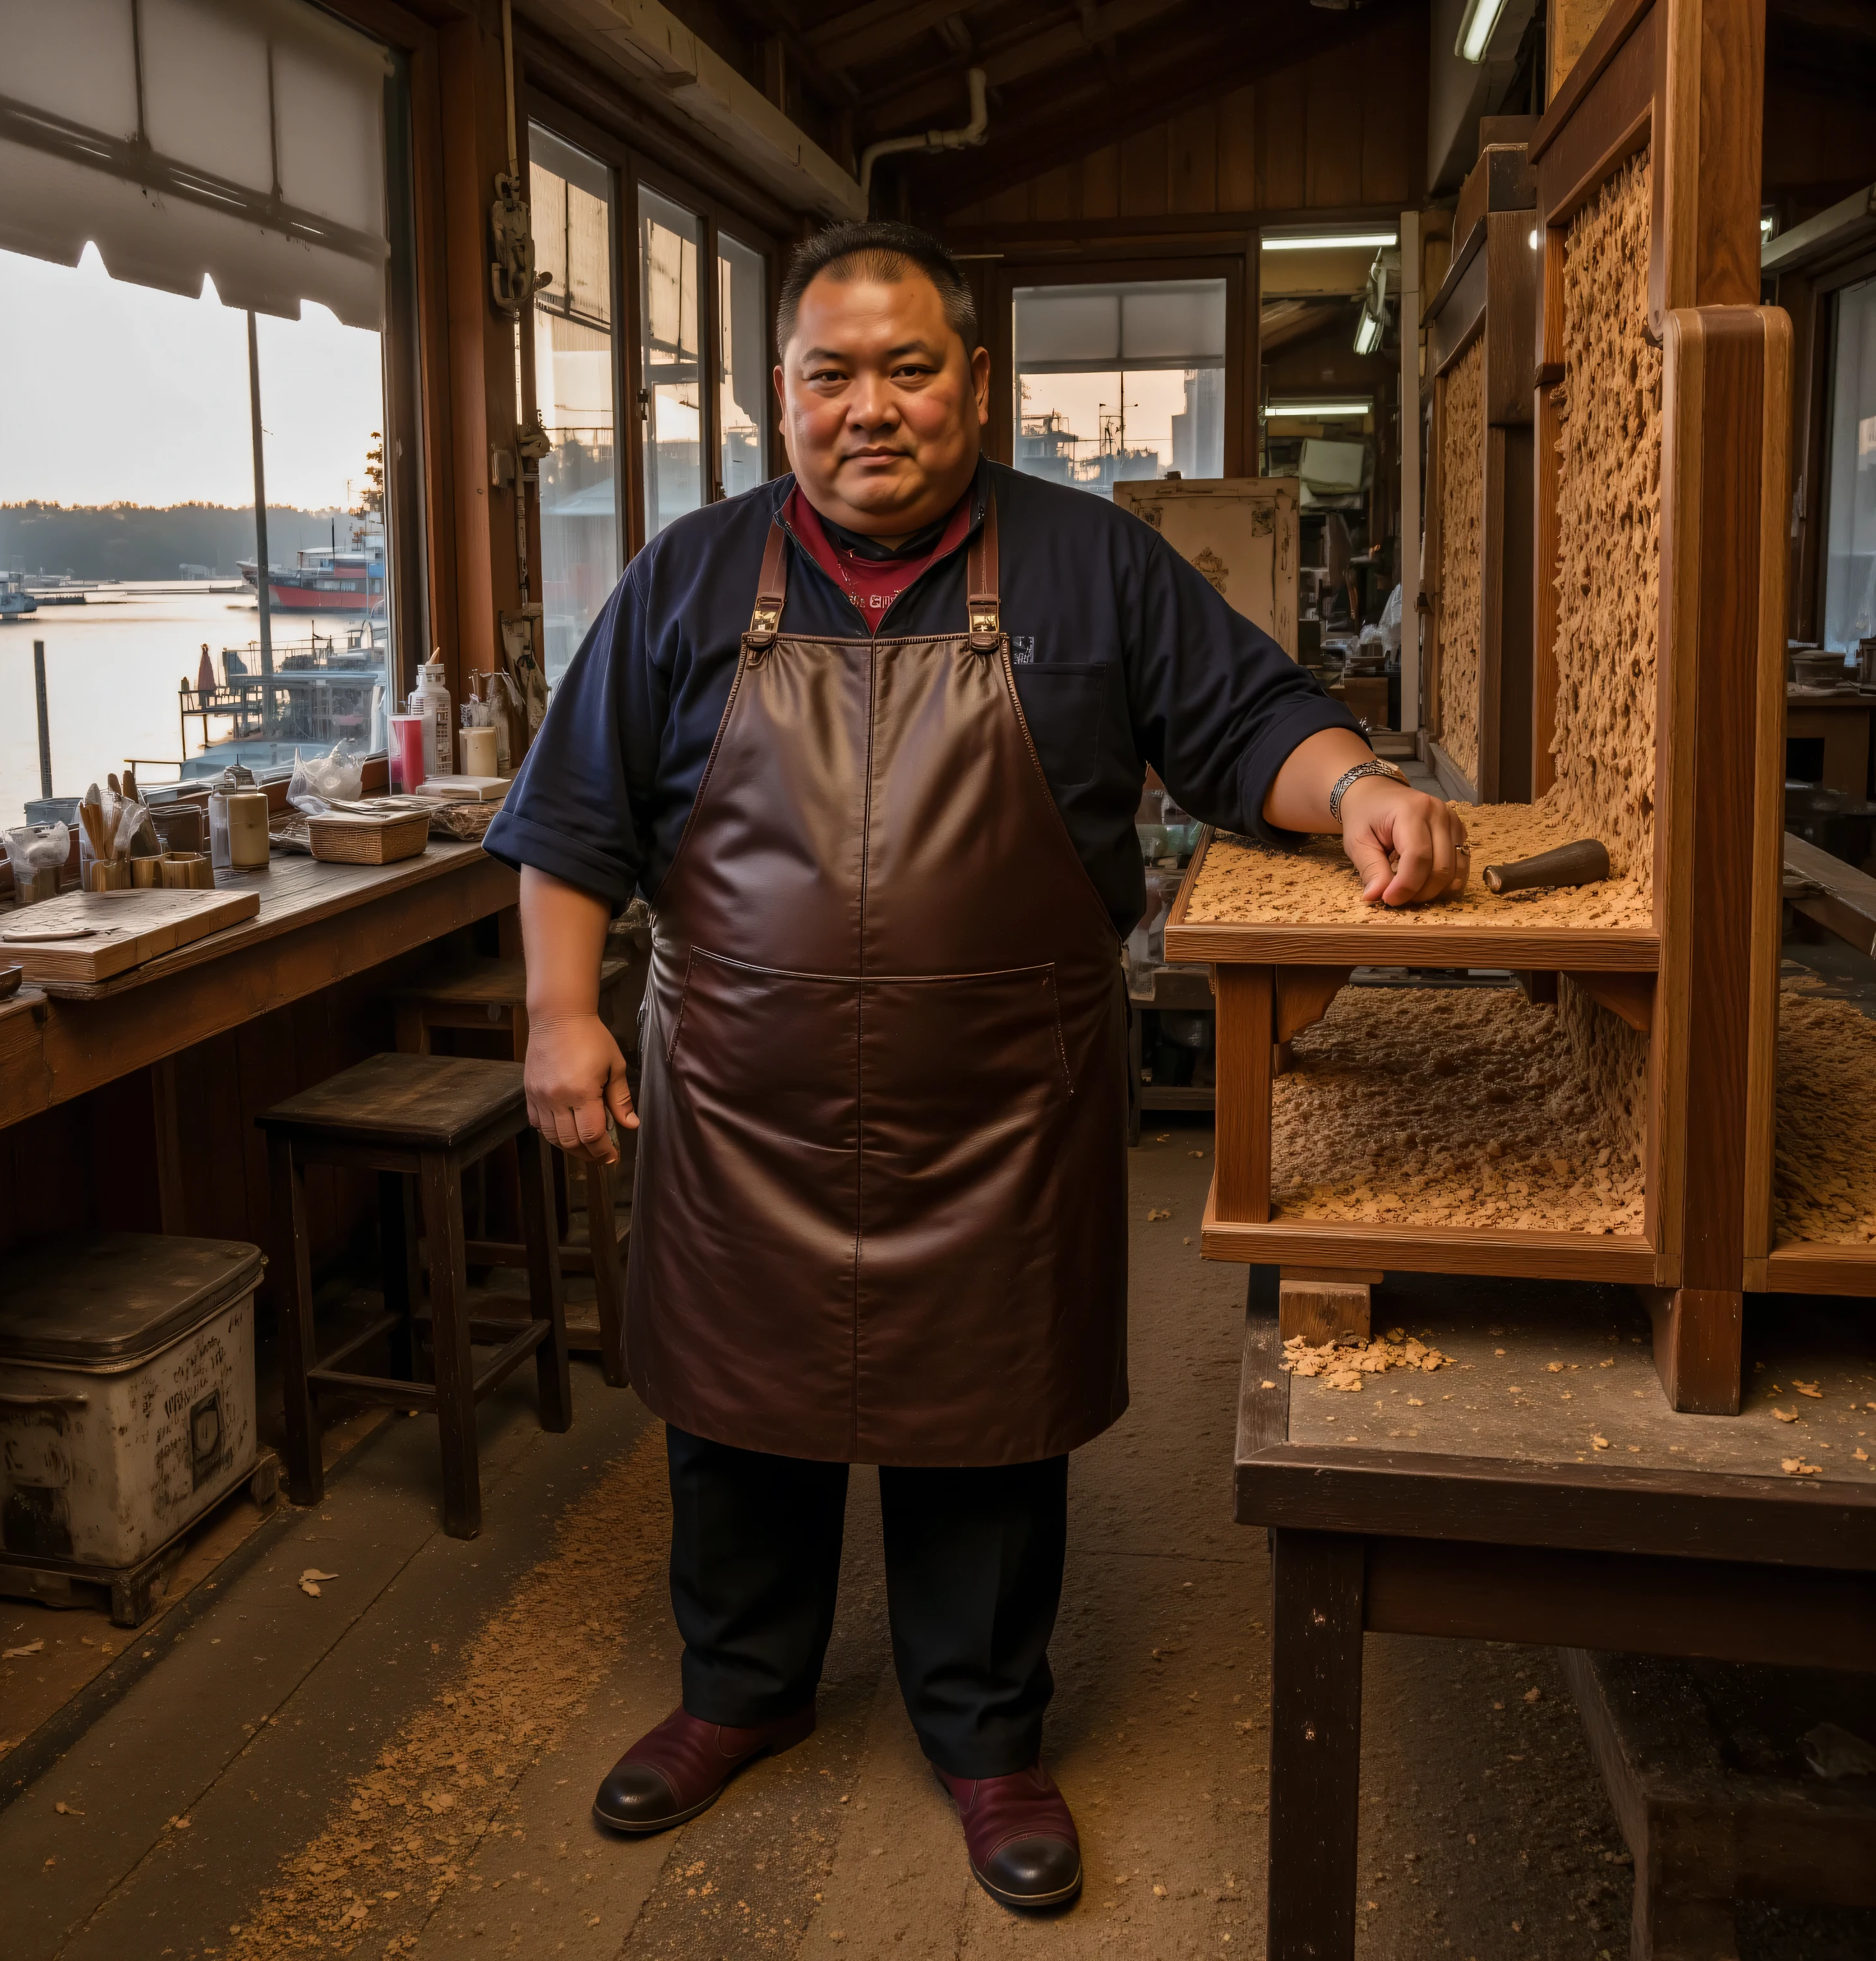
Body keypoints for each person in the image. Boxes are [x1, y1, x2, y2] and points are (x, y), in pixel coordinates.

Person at [484, 220, 1464, 1912]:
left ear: (977, 386)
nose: (874, 408)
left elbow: (1251, 727)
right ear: (778, 397)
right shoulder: (686, 577)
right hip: (742, 1091)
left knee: (989, 1430)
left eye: (911, 368)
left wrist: (1356, 785)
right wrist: (561, 1015)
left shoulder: (1094, 563)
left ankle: (987, 1736)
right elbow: (572, 818)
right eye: (831, 374)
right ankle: (739, 1696)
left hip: (1002, 1100)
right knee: (733, 1418)